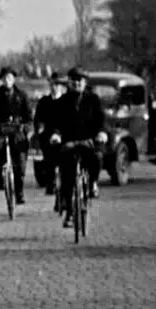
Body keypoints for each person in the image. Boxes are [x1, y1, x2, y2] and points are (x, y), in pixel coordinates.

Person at [49, 66, 108, 224]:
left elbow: (101, 120)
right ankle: (69, 212)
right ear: (69, 82)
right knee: (67, 176)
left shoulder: (93, 100)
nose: (77, 83)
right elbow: (56, 123)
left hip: (89, 141)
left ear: (85, 82)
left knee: (97, 157)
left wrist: (102, 132)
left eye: (80, 80)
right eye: (74, 81)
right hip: (69, 143)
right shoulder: (61, 102)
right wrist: (56, 135)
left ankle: (93, 182)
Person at [0, 66, 34, 204]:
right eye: (5, 78)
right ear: (1, 79)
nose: (7, 80)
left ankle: (19, 193)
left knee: (20, 160)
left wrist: (26, 128)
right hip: (0, 128)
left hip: (17, 128)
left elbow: (29, 116)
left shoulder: (22, 95)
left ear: (14, 79)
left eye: (10, 78)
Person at [32, 72, 68, 195]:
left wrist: (60, 133)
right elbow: (38, 119)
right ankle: (50, 181)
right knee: (47, 155)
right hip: (48, 134)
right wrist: (40, 127)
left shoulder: (67, 101)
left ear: (61, 86)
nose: (54, 87)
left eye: (57, 84)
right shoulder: (44, 101)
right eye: (52, 84)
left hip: (64, 133)